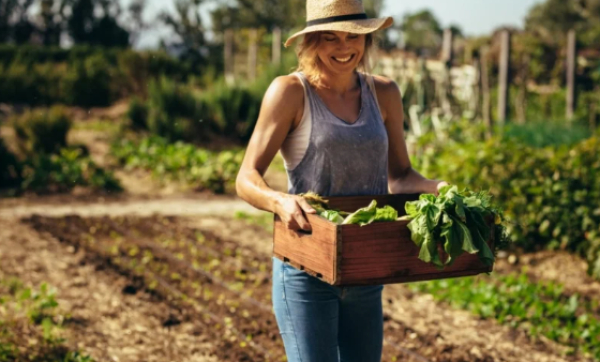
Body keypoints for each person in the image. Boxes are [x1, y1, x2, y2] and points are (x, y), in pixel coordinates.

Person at [236, 1, 449, 360]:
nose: (343, 48)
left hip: (365, 265)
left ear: (367, 40)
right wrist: (279, 201)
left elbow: (400, 176)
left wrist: (439, 189)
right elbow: (245, 177)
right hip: (306, 267)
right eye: (329, 38)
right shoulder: (290, 92)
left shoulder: (384, 94)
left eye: (353, 37)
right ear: (311, 42)